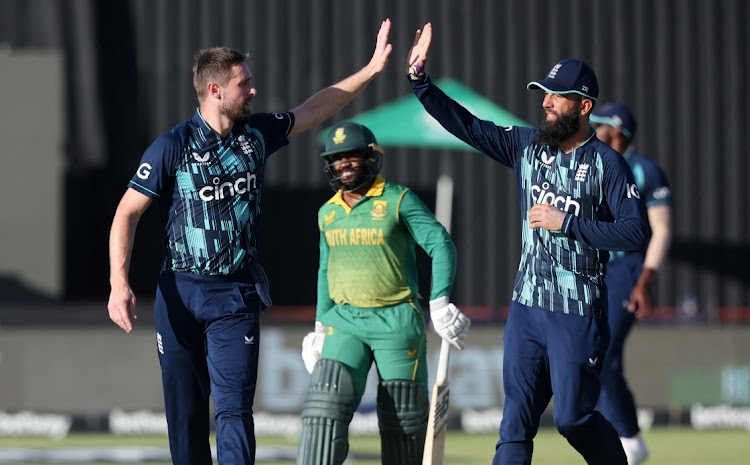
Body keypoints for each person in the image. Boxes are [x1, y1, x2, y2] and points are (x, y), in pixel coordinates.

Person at [106, 19, 393, 465]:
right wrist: (118, 283)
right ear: (216, 90)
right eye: (245, 84)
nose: (254, 91)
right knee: (185, 415)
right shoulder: (172, 147)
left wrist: (371, 69)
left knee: (235, 411)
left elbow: (314, 109)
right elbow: (127, 213)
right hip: (179, 291)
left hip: (235, 293)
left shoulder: (255, 134)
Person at [405, 23, 651, 465]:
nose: (545, 102)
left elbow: (636, 233)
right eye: (544, 93)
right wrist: (421, 83)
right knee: (514, 425)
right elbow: (471, 128)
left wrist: (568, 222)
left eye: (556, 96)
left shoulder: (606, 164)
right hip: (527, 308)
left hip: (577, 312)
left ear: (584, 106)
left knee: (574, 419)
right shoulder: (529, 147)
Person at [296, 121, 470, 465]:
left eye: (352, 158)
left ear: (371, 158)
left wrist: (439, 302)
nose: (344, 166)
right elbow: (325, 270)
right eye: (337, 159)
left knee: (402, 422)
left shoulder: (398, 199)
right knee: (322, 411)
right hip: (344, 320)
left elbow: (441, 244)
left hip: (396, 319)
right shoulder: (328, 212)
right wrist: (319, 329)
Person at [591, 102, 672, 465]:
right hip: (592, 269)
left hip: (626, 272)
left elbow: (662, 230)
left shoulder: (646, 171)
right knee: (597, 357)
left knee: (604, 354)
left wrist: (644, 281)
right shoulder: (589, 161)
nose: (593, 127)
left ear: (619, 131)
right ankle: (620, 436)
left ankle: (628, 438)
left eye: (601, 124)